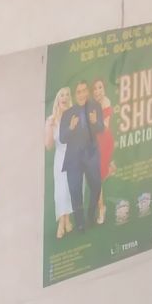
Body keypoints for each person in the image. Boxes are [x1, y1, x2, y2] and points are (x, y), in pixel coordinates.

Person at [61, 79, 104, 233]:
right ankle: (79, 223)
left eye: (85, 90)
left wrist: (95, 122)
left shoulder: (95, 107)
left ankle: (91, 215)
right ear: (75, 94)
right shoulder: (67, 114)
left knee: (96, 186)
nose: (82, 94)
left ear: (88, 92)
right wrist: (71, 127)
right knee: (75, 191)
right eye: (79, 92)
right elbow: (62, 138)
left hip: (91, 155)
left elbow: (101, 128)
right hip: (74, 159)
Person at [45, 86, 74, 238]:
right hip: (60, 159)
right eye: (62, 95)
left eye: (67, 95)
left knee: (69, 190)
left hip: (74, 158)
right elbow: (49, 146)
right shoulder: (51, 120)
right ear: (58, 100)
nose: (65, 97)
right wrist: (50, 128)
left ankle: (67, 219)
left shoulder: (74, 116)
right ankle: (61, 222)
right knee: (61, 191)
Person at [91, 76, 115, 225]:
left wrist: (94, 121)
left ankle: (101, 209)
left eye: (100, 87)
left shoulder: (106, 102)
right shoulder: (93, 104)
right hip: (95, 143)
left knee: (96, 178)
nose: (97, 91)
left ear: (104, 89)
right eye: (95, 88)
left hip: (104, 142)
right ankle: (110, 168)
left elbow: (103, 127)